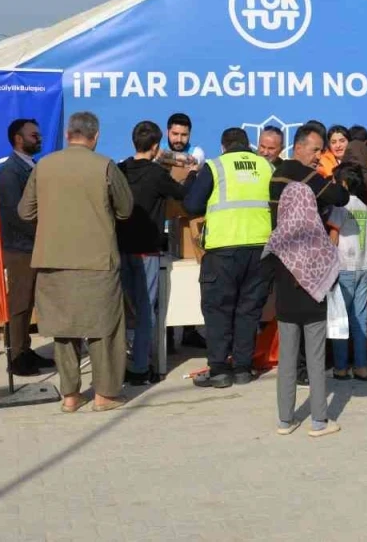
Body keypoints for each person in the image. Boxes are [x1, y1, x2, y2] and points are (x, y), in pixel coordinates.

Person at [18, 112, 133, 413]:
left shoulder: (43, 166)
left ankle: (70, 396)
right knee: (104, 328)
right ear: (96, 136)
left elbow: (25, 212)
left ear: (68, 135)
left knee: (64, 330)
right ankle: (105, 395)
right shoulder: (105, 166)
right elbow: (125, 209)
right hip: (98, 260)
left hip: (53, 260)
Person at [183, 127, 273, 388]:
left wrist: (192, 177)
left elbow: (192, 205)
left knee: (218, 310)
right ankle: (243, 368)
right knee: (249, 310)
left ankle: (220, 370)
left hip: (223, 250)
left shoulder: (215, 166)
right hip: (260, 249)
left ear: (223, 147)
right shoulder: (266, 167)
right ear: (248, 145)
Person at [269, 126, 351, 385]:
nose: (318, 156)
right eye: (315, 150)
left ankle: (294, 371)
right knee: (310, 318)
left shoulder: (278, 173)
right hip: (304, 259)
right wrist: (339, 184)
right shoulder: (301, 173)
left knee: (289, 319)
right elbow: (339, 197)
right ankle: (307, 372)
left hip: (282, 256)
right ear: (298, 148)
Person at [116, 120, 196, 384]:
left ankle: (121, 363)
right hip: (146, 251)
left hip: (120, 249)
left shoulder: (120, 169)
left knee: (125, 309)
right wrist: (192, 173)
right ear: (155, 146)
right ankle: (140, 367)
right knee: (145, 310)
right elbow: (183, 194)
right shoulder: (156, 174)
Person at [263, 182, 341, 438]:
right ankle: (319, 421)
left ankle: (285, 420)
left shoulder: (278, 238)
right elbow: (333, 271)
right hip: (314, 306)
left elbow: (267, 271)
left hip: (286, 308)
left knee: (286, 361)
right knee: (316, 362)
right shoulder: (319, 237)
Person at [0, 118, 53, 377]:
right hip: (20, 249)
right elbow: (15, 215)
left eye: (38, 135)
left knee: (28, 303)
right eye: (33, 135)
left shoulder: (31, 166)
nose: (38, 139)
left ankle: (25, 350)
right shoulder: (10, 172)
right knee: (19, 304)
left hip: (32, 245)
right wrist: (44, 234)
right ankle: (16, 357)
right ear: (18, 139)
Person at [328, 164, 367, 381]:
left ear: (344, 184)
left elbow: (334, 236)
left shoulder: (341, 206)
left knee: (340, 319)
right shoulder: (365, 206)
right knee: (360, 318)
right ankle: (361, 366)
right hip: (363, 267)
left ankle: (340, 367)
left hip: (343, 267)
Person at [164, 112, 206, 351]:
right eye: (175, 134)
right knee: (166, 285)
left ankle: (190, 332)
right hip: (162, 228)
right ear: (167, 132)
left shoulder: (197, 151)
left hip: (186, 228)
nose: (179, 139)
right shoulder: (158, 151)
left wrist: (166, 159)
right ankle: (167, 337)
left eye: (184, 135)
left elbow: (194, 160)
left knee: (189, 281)